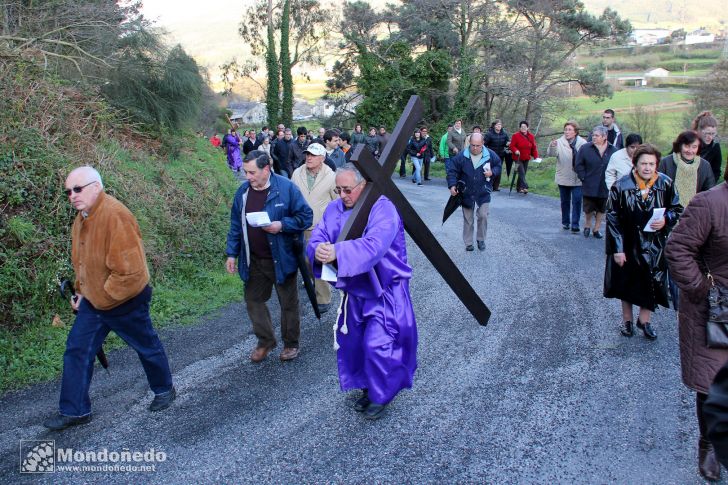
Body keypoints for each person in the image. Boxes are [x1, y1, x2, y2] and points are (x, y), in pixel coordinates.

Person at [43, 167, 175, 431]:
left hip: (126, 300)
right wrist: (81, 292)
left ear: (96, 187)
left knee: (146, 345)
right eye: (68, 191)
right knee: (77, 350)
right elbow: (83, 263)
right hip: (96, 301)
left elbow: (131, 271)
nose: (72, 195)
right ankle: (75, 410)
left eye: (77, 189)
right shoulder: (83, 216)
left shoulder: (115, 215)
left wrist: (102, 297)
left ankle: (164, 390)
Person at [307, 163, 418, 420]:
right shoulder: (335, 208)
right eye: (338, 190)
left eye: (347, 190)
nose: (343, 196)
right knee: (356, 343)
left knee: (379, 343)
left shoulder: (383, 208)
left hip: (384, 289)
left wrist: (339, 252)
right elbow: (319, 235)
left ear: (363, 185)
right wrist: (319, 249)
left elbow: (374, 245)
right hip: (356, 289)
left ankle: (382, 395)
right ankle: (370, 388)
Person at [666, 165, 728, 482]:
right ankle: (711, 446)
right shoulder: (710, 203)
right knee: (714, 383)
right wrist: (702, 290)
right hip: (716, 311)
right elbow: (677, 248)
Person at [225, 154, 313, 363]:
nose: (248, 177)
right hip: (254, 260)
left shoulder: (286, 188)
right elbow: (236, 225)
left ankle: (291, 344)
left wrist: (281, 225)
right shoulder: (243, 192)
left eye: (252, 172)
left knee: (288, 303)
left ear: (267, 169)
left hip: (282, 258)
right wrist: (231, 254)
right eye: (246, 172)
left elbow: (305, 217)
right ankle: (266, 341)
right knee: (253, 300)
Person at [604, 143, 682, 340]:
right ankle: (628, 322)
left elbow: (677, 208)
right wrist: (618, 249)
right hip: (628, 243)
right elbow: (612, 218)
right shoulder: (621, 186)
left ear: (656, 164)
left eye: (651, 163)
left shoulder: (665, 183)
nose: (647, 167)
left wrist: (666, 219)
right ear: (635, 164)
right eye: (643, 163)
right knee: (626, 283)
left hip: (654, 244)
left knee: (652, 282)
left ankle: (645, 321)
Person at [291, 144, 338, 313]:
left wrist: (333, 225)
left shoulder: (331, 176)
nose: (309, 158)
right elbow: (291, 195)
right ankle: (316, 283)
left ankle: (324, 298)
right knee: (304, 260)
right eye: (307, 154)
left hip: (320, 228)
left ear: (322, 158)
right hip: (299, 225)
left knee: (319, 260)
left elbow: (337, 202)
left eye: (313, 155)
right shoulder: (297, 173)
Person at [446, 132, 502, 252]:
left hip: (483, 191)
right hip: (466, 191)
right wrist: (452, 186)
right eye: (472, 145)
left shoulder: (490, 155)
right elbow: (452, 171)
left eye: (478, 145)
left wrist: (492, 172)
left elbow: (498, 165)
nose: (475, 148)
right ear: (469, 143)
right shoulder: (462, 156)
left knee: (483, 215)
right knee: (468, 218)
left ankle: (481, 239)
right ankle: (468, 243)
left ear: (483, 144)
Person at [575, 125, 617, 239]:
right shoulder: (585, 148)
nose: (593, 137)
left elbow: (616, 168)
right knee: (588, 207)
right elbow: (578, 164)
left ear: (604, 137)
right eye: (593, 135)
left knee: (602, 208)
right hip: (589, 183)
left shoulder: (613, 150)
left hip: (605, 185)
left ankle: (597, 229)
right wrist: (583, 177)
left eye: (597, 135)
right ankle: (587, 225)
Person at [547, 121, 587, 233]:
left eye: (569, 130)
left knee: (577, 201)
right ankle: (565, 222)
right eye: (565, 129)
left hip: (577, 177)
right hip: (563, 176)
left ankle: (575, 224)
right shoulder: (559, 142)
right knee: (565, 201)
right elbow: (551, 154)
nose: (567, 132)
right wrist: (552, 146)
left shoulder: (583, 143)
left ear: (575, 132)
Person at [659, 130, 715, 207]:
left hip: (696, 211)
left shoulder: (705, 166)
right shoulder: (665, 163)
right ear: (679, 146)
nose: (690, 151)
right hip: (668, 210)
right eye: (687, 146)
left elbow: (709, 193)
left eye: (694, 147)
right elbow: (659, 190)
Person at [692, 111, 723, 183]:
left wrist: (709, 187)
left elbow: (716, 171)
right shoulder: (686, 141)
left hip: (703, 186)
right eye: (707, 133)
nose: (710, 137)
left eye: (713, 134)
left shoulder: (715, 146)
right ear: (698, 130)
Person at [509, 120, 539, 195]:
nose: (523, 128)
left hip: (526, 157)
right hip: (517, 158)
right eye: (521, 127)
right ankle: (525, 187)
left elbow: (533, 147)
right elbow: (511, 146)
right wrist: (515, 150)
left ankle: (519, 188)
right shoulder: (515, 136)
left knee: (523, 173)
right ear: (519, 128)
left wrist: (536, 156)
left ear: (528, 127)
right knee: (521, 172)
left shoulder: (531, 136)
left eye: (525, 127)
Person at [484, 120, 510, 191]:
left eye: (500, 124)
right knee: (491, 170)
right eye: (497, 124)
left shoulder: (504, 134)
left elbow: (507, 142)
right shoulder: (489, 134)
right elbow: (484, 144)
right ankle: (489, 185)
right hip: (491, 155)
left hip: (501, 155)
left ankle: (496, 187)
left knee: (498, 170)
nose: (499, 126)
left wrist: (508, 144)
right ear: (494, 126)